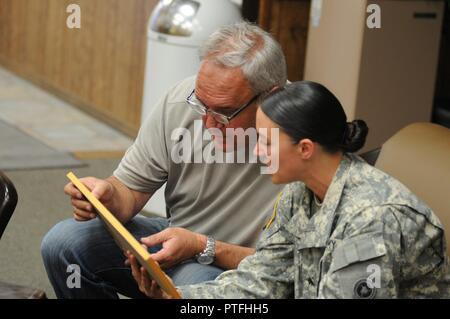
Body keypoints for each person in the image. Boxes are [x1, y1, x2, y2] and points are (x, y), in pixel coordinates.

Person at [131, 81, 450, 299]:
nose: (257, 152)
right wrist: (176, 296)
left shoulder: (373, 220)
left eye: (267, 142)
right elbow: (261, 281)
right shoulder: (301, 193)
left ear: (306, 149)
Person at [40, 22, 287, 298]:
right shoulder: (181, 101)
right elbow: (129, 191)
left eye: (224, 113)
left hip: (237, 266)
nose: (207, 123)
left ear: (271, 96)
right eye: (202, 105)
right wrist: (107, 195)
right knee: (63, 243)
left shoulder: (302, 137)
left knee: (195, 286)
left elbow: (290, 267)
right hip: (173, 241)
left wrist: (202, 246)